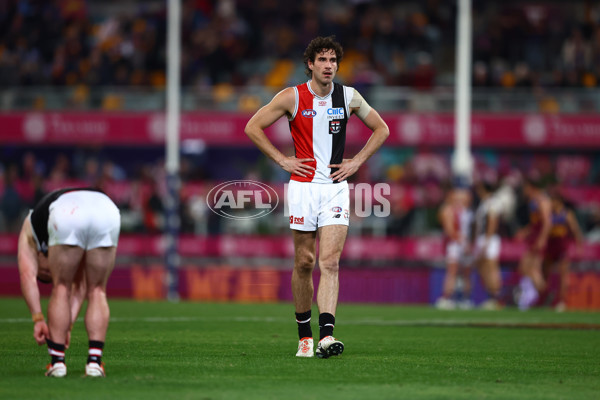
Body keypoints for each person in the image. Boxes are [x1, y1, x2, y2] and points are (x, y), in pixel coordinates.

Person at [245, 36, 389, 358]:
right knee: (305, 262)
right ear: (310, 64)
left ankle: (326, 337)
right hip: (303, 187)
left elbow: (382, 129)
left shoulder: (349, 97)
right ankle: (304, 336)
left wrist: (357, 161)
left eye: (333, 61)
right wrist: (282, 160)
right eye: (322, 60)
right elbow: (253, 127)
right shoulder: (292, 97)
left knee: (331, 262)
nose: (329, 66)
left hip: (336, 187)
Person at [18, 187, 120, 377]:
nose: (48, 271)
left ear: (39, 256)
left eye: (44, 272)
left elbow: (27, 275)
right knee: (97, 289)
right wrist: (67, 325)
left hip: (69, 210)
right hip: (106, 209)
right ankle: (94, 363)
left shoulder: (29, 227)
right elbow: (80, 284)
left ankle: (57, 363)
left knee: (61, 287)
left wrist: (38, 318)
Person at [514, 178, 552, 310]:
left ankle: (544, 294)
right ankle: (538, 294)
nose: (524, 191)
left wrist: (542, 239)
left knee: (532, 269)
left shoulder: (542, 200)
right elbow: (536, 224)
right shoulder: (534, 201)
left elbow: (547, 223)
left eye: (525, 188)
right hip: (533, 239)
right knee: (525, 268)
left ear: (530, 187)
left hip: (538, 240)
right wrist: (524, 232)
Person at [542, 193, 583, 312]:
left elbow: (575, 231)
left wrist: (579, 247)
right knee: (545, 274)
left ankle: (561, 302)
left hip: (562, 249)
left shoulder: (567, 214)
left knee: (563, 276)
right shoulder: (549, 214)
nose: (551, 204)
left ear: (558, 201)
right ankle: (546, 298)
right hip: (550, 248)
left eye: (552, 201)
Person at [435, 186, 474, 310]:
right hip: (460, 243)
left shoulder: (462, 211)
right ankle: (458, 299)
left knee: (458, 273)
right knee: (459, 273)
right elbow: (450, 230)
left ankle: (454, 298)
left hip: (459, 244)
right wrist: (466, 242)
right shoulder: (453, 210)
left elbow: (452, 230)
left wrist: (465, 242)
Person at [472, 181, 503, 310]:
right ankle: (491, 294)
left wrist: (488, 240)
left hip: (488, 238)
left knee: (491, 267)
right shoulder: (484, 203)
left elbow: (492, 220)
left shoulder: (491, 202)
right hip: (482, 238)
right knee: (481, 266)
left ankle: (496, 298)